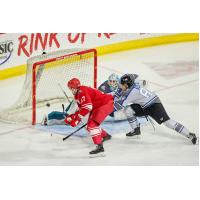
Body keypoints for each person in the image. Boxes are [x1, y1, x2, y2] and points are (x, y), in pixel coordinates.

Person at [114, 74, 198, 145]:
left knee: (168, 123)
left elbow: (118, 106)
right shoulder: (135, 83)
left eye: (121, 84)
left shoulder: (131, 94)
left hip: (154, 105)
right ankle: (136, 131)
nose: (120, 86)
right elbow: (134, 75)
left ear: (126, 85)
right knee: (128, 110)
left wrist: (111, 100)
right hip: (145, 105)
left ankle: (189, 134)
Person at [64, 78, 114, 157]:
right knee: (88, 126)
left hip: (105, 103)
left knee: (92, 125)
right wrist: (73, 117)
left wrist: (77, 119)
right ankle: (105, 135)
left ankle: (100, 149)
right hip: (98, 105)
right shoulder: (79, 93)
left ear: (73, 87)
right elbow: (82, 108)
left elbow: (88, 107)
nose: (70, 90)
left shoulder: (82, 91)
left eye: (70, 88)